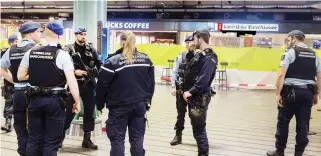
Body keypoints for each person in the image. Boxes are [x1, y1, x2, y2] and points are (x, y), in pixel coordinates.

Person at [17, 21, 81, 156]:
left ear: (44, 34)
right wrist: (77, 101)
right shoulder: (62, 54)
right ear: (59, 35)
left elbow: (20, 75)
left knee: (34, 140)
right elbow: (72, 81)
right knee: (51, 142)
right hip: (54, 102)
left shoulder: (30, 52)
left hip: (34, 100)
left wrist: (37, 76)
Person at [95, 31, 155, 156]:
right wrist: (147, 101)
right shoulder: (146, 59)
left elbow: (102, 85)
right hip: (139, 106)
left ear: (121, 42)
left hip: (118, 107)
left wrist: (99, 104)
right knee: (137, 139)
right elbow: (151, 84)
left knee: (117, 140)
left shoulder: (112, 62)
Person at [267, 30, 321, 156]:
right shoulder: (315, 55)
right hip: (307, 93)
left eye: (288, 39)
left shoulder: (290, 52)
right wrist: (317, 94)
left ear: (294, 39)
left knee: (283, 122)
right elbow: (319, 77)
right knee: (303, 124)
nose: (287, 42)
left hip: (290, 94)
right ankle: (299, 153)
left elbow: (281, 75)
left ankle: (279, 151)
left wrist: (277, 94)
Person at [0, 22, 41, 156]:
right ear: (30, 33)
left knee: (20, 125)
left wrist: (14, 80)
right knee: (36, 126)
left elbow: (1, 68)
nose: (40, 34)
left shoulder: (11, 50)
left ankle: (23, 152)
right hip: (34, 93)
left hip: (18, 92)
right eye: (38, 31)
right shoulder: (37, 49)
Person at [61, 26, 101, 149]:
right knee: (69, 112)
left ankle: (87, 139)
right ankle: (59, 138)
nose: (83, 36)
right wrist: (74, 72)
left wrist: (94, 72)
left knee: (90, 113)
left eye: (84, 34)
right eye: (80, 34)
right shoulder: (68, 49)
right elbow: (61, 65)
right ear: (75, 35)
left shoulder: (91, 49)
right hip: (75, 84)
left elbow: (99, 65)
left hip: (88, 85)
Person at [182, 28, 218, 156]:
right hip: (194, 97)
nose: (192, 41)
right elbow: (188, 68)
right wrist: (190, 52)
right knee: (196, 128)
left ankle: (203, 153)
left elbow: (204, 79)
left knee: (199, 128)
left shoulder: (210, 57)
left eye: (194, 39)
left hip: (199, 97)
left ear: (201, 39)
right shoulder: (200, 55)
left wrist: (190, 92)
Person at [170, 35, 195, 145]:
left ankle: (199, 137)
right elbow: (175, 72)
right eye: (186, 43)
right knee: (180, 114)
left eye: (189, 42)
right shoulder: (180, 56)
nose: (187, 44)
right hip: (181, 89)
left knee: (195, 115)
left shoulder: (199, 57)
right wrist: (173, 86)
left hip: (193, 91)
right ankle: (178, 135)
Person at [1, 34, 18, 132]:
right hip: (9, 82)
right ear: (9, 43)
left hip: (21, 82)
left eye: (17, 41)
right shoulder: (6, 53)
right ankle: (8, 122)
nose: (15, 43)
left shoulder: (21, 52)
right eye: (13, 42)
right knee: (9, 102)